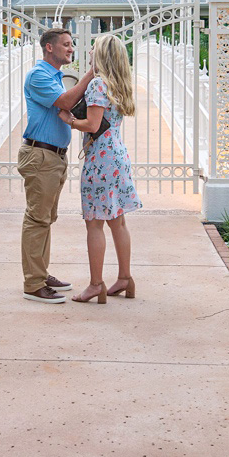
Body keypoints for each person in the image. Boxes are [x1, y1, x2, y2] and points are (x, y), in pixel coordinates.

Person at [18, 27, 96, 304]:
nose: (71, 49)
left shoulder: (55, 76)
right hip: (41, 156)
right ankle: (33, 284)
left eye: (71, 44)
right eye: (66, 44)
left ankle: (40, 272)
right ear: (49, 47)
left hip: (52, 157)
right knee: (37, 219)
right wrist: (92, 72)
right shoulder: (39, 75)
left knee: (45, 219)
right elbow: (64, 102)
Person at [62, 34, 140, 304]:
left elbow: (92, 125)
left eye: (93, 50)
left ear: (101, 55)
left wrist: (70, 120)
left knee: (94, 224)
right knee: (118, 221)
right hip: (118, 156)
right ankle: (125, 278)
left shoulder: (98, 84)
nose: (90, 54)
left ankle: (96, 284)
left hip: (100, 161)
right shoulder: (120, 83)